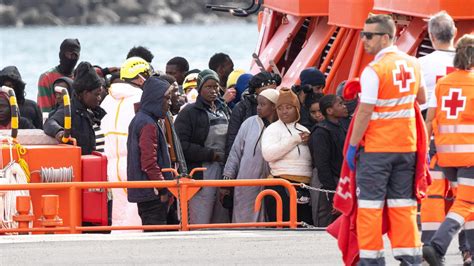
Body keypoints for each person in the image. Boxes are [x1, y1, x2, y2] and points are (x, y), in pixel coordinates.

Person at [345, 14, 427, 265]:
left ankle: (372, 260)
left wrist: (351, 146)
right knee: (403, 206)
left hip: (378, 150)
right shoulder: (413, 64)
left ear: (385, 37)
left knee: (370, 207)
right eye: (362, 35)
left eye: (368, 36)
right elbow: (421, 98)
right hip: (407, 148)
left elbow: (365, 112)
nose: (363, 41)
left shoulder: (374, 70)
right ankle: (410, 258)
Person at [418, 11, 471, 264]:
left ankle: (429, 242)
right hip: (469, 149)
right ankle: (467, 249)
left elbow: (423, 111)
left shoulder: (423, 67)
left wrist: (424, 146)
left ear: (431, 35)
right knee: (467, 200)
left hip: (438, 144)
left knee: (433, 195)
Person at [100, 56, 152, 231]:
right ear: (140, 76)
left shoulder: (108, 99)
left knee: (118, 213)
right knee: (134, 215)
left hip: (111, 165)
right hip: (133, 163)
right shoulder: (141, 98)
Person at [175, 69, 231, 224]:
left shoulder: (224, 110)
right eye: (208, 87)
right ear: (200, 88)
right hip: (201, 171)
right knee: (200, 217)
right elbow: (181, 146)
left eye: (216, 86)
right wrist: (210, 154)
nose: (213, 91)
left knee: (221, 218)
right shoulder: (189, 112)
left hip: (223, 169)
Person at [222, 89, 279, 223]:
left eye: (263, 105)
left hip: (273, 182)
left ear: (274, 106)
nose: (258, 108)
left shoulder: (281, 126)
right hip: (247, 181)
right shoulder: (249, 123)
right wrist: (227, 180)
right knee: (244, 218)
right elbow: (235, 152)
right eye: (258, 104)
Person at [261, 88, 313, 225]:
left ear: (297, 108)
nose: (284, 111)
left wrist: (311, 142)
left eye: (288, 107)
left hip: (305, 186)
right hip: (281, 185)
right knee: (282, 228)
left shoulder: (305, 130)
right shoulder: (272, 129)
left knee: (304, 227)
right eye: (280, 108)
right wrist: (294, 140)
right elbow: (268, 154)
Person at [127, 76, 172, 228]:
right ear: (156, 99)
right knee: (156, 235)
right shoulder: (148, 124)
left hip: (145, 192)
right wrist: (162, 188)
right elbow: (149, 161)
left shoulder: (141, 119)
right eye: (167, 98)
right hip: (152, 194)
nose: (170, 103)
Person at [44, 62, 105, 155]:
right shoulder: (70, 109)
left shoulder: (92, 111)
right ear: (85, 93)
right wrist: (59, 132)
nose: (99, 98)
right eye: (96, 94)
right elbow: (50, 123)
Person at [309, 94, 348, 227]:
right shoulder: (321, 132)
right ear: (329, 111)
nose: (344, 106)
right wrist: (332, 195)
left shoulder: (341, 127)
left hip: (341, 181)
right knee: (325, 223)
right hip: (325, 183)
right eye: (340, 104)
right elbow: (322, 165)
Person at [225, 71, 279, 158]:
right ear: (255, 92)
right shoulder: (242, 108)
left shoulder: (282, 107)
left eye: (273, 91)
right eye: (265, 92)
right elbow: (233, 143)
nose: (270, 96)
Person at [37, 38, 80, 114]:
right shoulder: (46, 78)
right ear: (61, 54)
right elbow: (45, 111)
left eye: (74, 55)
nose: (71, 58)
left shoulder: (79, 76)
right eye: (68, 54)